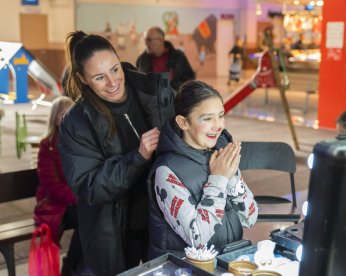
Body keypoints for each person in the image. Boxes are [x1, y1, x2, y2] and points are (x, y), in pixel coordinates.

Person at [59, 31, 175, 275]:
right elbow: (89, 186)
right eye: (99, 77)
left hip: (163, 220)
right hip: (116, 231)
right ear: (82, 79)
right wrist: (138, 156)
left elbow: (191, 120)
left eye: (114, 69)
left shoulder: (151, 90)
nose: (112, 82)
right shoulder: (77, 122)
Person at [147, 80, 258, 258]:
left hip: (226, 259)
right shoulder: (166, 171)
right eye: (207, 118)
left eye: (221, 115)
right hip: (185, 267)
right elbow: (196, 238)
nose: (218, 125)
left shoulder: (221, 152)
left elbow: (250, 217)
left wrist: (231, 178)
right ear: (183, 122)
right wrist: (219, 180)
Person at [34, 96, 83, 276]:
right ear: (55, 118)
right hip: (55, 204)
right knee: (85, 215)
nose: (68, 118)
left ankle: (74, 264)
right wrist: (78, 198)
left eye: (71, 114)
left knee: (93, 215)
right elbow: (52, 185)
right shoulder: (47, 146)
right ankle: (70, 267)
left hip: (74, 202)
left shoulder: (79, 142)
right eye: (64, 114)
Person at [136, 26, 195, 91]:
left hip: (176, 98)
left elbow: (190, 77)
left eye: (149, 40)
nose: (146, 43)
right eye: (145, 40)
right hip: (150, 100)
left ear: (161, 40)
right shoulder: (141, 60)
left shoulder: (178, 56)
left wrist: (177, 90)